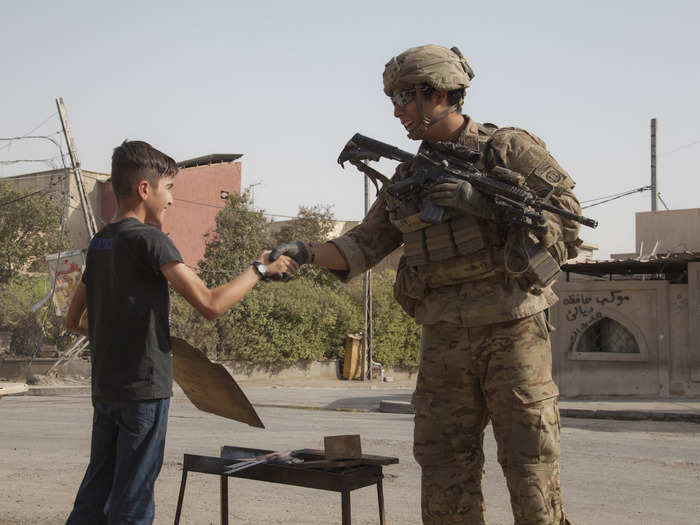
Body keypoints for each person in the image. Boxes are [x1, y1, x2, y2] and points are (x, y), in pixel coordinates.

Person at [272, 45, 581, 524]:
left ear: (438, 93)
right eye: (393, 99)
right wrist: (305, 252)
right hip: (443, 338)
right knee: (443, 469)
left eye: (404, 98)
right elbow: (363, 244)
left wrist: (483, 203)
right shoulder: (408, 175)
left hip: (513, 330)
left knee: (530, 467)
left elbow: (568, 222)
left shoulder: (507, 149)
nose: (396, 111)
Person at [64, 140, 297, 525]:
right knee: (133, 502)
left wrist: (119, 327)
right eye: (168, 188)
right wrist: (258, 270)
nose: (171, 199)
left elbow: (74, 321)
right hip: (143, 391)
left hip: (106, 390)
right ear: (144, 189)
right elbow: (210, 304)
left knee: (94, 495)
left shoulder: (101, 242)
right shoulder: (151, 241)